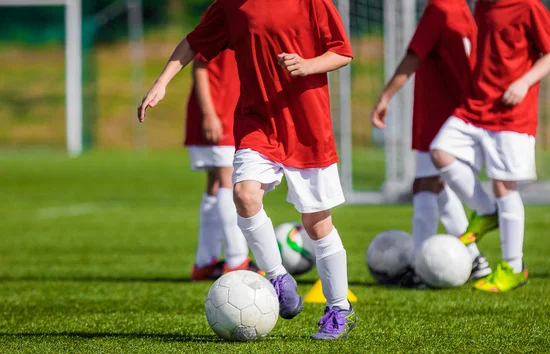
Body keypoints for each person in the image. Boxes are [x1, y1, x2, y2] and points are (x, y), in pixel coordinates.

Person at [137, 0, 356, 340]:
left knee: (317, 222)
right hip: (257, 122)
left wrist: (307, 65)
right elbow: (194, 42)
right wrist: (161, 82)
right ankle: (278, 276)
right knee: (244, 194)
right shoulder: (230, 5)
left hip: (307, 125)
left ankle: (339, 308)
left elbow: (341, 52)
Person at [430, 0, 550, 292]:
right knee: (440, 152)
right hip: (476, 106)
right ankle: (486, 212)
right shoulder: (483, 4)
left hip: (512, 112)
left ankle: (513, 268)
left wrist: (524, 83)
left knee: (505, 186)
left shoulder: (529, 6)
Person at [371, 0, 491, 283]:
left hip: (440, 114)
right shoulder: (463, 10)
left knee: (426, 184)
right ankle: (472, 257)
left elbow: (414, 56)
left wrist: (385, 96)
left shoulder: (439, 8)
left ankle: (421, 264)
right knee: (434, 186)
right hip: (456, 110)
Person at [185, 50, 261, 281]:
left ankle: (204, 263)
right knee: (230, 178)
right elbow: (199, 66)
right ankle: (237, 260)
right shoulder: (221, 16)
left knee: (215, 183)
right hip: (219, 115)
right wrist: (209, 114)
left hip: (224, 113)